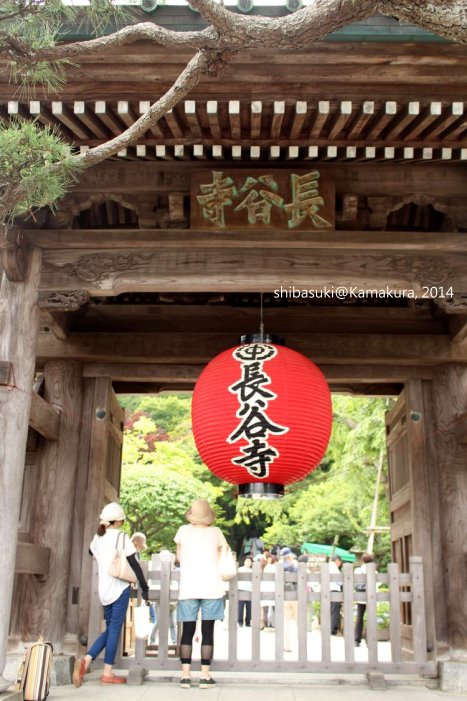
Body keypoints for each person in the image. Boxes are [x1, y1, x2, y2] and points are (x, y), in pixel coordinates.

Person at [73, 502, 149, 686]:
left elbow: (90, 551)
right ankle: (107, 672)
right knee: (115, 628)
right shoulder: (122, 537)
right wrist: (144, 586)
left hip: (104, 589)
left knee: (110, 628)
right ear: (120, 521)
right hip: (119, 587)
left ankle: (87, 659)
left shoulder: (98, 537)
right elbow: (133, 563)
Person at [174, 498, 229, 689]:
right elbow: (223, 555)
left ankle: (185, 675)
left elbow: (179, 557)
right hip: (211, 586)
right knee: (208, 632)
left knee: (187, 632)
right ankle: (205, 676)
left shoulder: (183, 531)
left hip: (189, 586)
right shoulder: (216, 532)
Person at [354, 551, 375, 646]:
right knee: (370, 618)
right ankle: (369, 640)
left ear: (362, 560)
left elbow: (355, 583)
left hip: (360, 595)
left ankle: (357, 640)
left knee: (360, 617)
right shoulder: (374, 571)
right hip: (371, 596)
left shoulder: (358, 570)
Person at [281, 547, 298, 651]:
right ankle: (299, 644)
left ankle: (286, 645)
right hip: (295, 595)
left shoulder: (279, 565)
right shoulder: (294, 564)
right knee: (298, 621)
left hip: (284, 595)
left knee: (286, 622)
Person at [237, 556, 253, 627]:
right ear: (244, 562)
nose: (248, 562)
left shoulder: (252, 570)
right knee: (240, 607)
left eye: (250, 561)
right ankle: (240, 621)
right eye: (247, 561)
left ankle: (248, 622)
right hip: (241, 589)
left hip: (250, 590)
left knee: (249, 607)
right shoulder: (239, 569)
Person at [329, 555, 343, 635]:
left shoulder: (327, 566)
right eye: (340, 562)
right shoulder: (334, 568)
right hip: (335, 590)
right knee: (335, 610)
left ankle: (329, 627)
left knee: (329, 610)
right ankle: (333, 629)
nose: (340, 564)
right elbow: (339, 581)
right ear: (337, 560)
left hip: (326, 590)